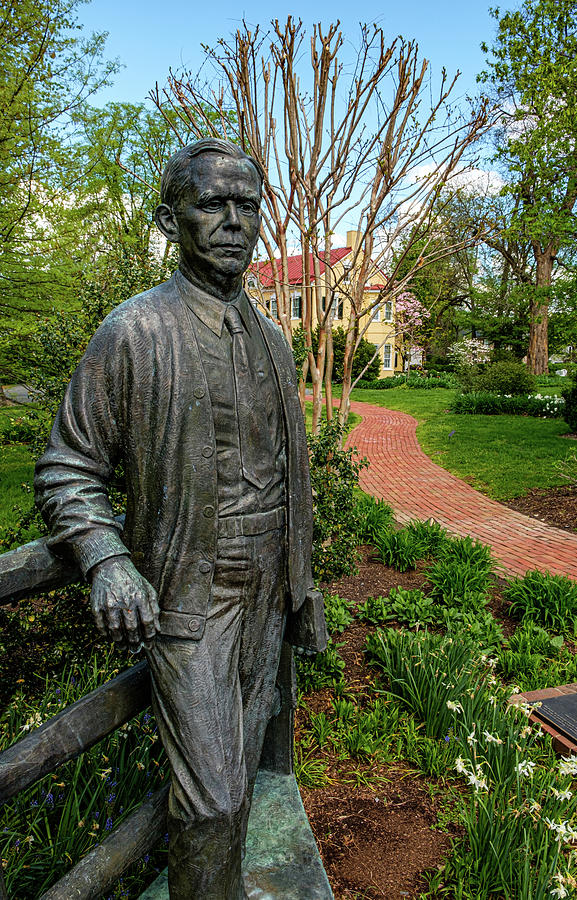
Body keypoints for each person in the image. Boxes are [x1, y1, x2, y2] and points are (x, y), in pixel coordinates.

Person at [34, 138, 322, 899]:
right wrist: (106, 557)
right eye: (212, 205)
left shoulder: (271, 339)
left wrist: (301, 585)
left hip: (268, 589)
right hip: (192, 595)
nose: (234, 222)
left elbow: (292, 472)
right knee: (212, 797)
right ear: (170, 219)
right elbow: (68, 465)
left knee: (250, 758)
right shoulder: (133, 332)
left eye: (248, 206)